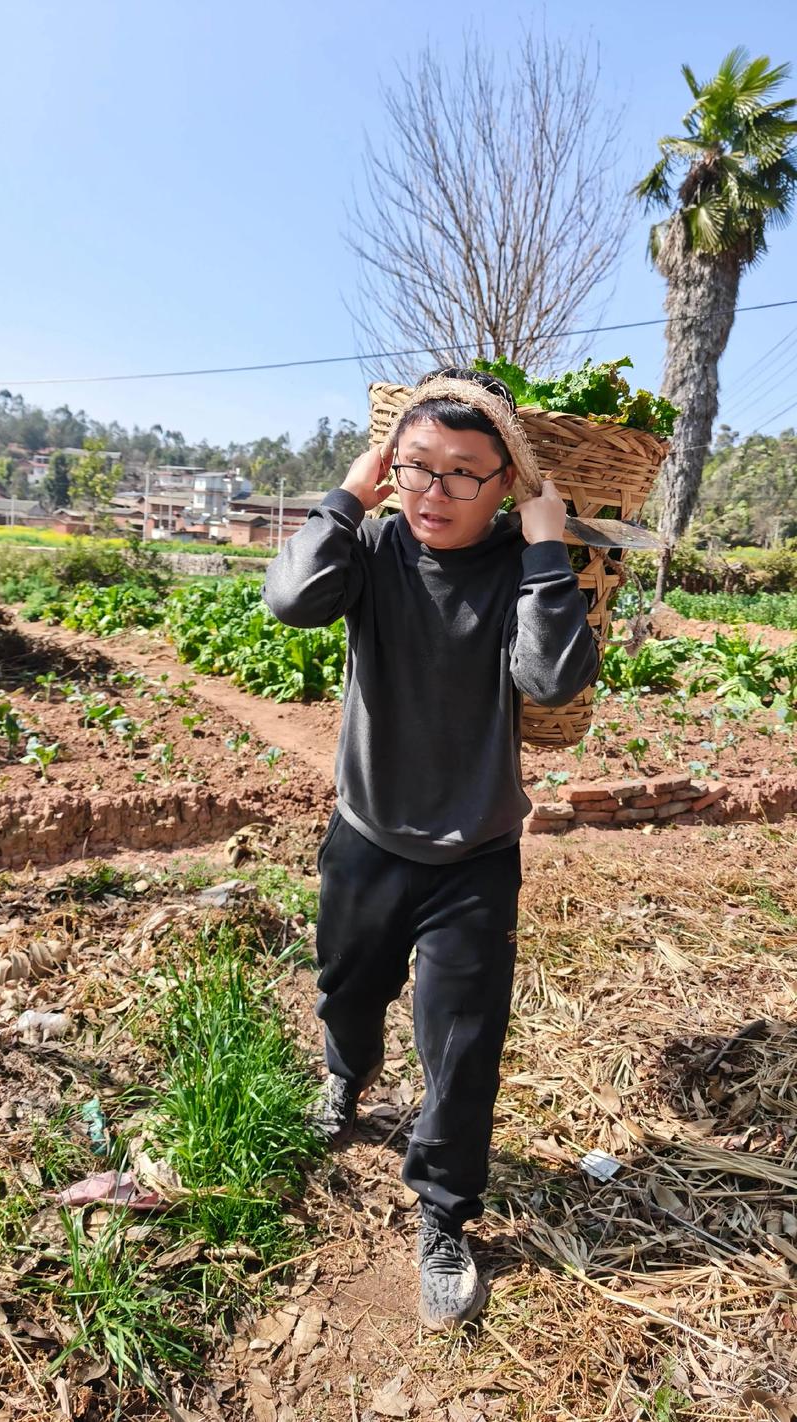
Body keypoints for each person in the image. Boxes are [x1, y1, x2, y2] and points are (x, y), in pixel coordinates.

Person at [264, 368, 599, 1329]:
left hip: (477, 855)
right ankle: (345, 1072)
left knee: (462, 1052)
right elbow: (290, 601)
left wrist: (545, 549)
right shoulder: (369, 548)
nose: (434, 493)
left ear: (506, 487)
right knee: (347, 988)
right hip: (367, 836)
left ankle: (445, 1215)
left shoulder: (519, 569)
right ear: (389, 466)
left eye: (464, 473)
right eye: (416, 467)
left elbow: (549, 675)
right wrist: (348, 494)